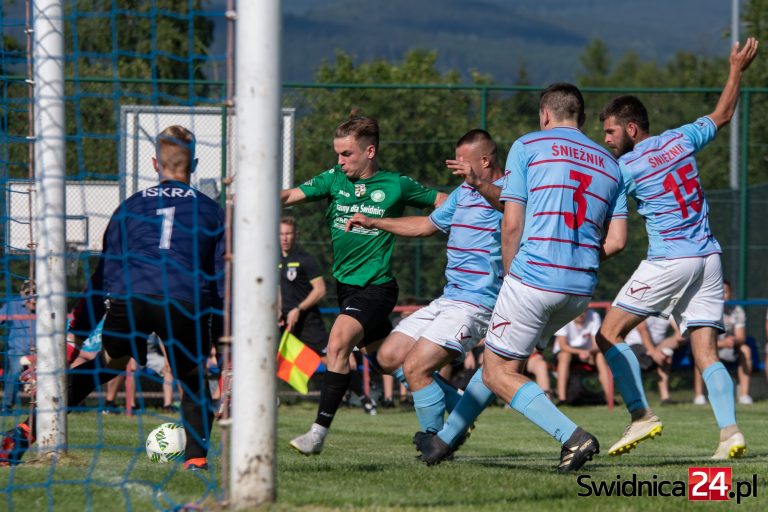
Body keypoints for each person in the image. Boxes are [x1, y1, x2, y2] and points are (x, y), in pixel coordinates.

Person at [418, 83, 628, 471]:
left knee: (499, 372)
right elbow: (617, 240)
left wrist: (514, 276)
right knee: (498, 362)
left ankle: (573, 438)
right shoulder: (611, 163)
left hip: (535, 277)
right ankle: (443, 442)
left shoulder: (529, 145)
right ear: (580, 117)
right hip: (580, 286)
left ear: (545, 115)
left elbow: (512, 224)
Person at [0, 125, 225, 471]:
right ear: (193, 164)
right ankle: (195, 459)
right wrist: (225, 340)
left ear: (154, 162)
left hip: (131, 299)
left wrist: (78, 331)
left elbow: (103, 275)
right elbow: (221, 279)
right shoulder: (212, 210)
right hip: (184, 301)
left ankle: (26, 431)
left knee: (108, 364)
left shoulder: (129, 206)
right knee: (193, 379)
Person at [595, 38, 758, 460]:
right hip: (708, 258)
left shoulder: (622, 169)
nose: (607, 139)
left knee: (609, 333)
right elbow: (723, 114)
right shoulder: (681, 138)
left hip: (671, 259)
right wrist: (736, 68)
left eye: (611, 131)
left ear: (631, 128)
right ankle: (730, 433)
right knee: (706, 352)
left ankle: (641, 415)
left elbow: (616, 240)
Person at [282, 116, 445, 455]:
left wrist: (488, 203)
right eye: (337, 154)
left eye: (346, 154)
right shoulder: (333, 179)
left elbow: (443, 201)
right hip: (347, 289)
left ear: (369, 151)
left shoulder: (396, 184)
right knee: (386, 362)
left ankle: (317, 434)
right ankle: (458, 404)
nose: (340, 161)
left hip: (377, 288)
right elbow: (289, 195)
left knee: (338, 343)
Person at [347, 129, 505, 438]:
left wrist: (478, 182)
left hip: (478, 302)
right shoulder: (463, 192)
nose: (460, 171)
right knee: (388, 356)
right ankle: (458, 407)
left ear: (484, 160)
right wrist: (374, 221)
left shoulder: (511, 188)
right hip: (449, 298)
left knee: (416, 368)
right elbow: (426, 225)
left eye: (464, 164)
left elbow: (511, 206)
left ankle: (435, 441)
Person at [278, 215, 377, 414]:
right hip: (283, 322)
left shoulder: (305, 260)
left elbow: (320, 290)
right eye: (281, 234)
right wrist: (279, 310)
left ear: (296, 235)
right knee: (265, 356)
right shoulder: (273, 259)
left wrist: (298, 309)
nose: (285, 238)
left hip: (307, 321)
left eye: (288, 233)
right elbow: (277, 288)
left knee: (338, 360)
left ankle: (364, 398)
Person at [693, 280, 753, 405]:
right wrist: (721, 344)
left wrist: (734, 341)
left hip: (730, 349)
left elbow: (741, 337)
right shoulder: (706, 311)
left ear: (730, 294)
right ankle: (699, 396)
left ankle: (744, 395)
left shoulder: (737, 311)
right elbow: (701, 339)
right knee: (700, 353)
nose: (722, 295)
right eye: (719, 292)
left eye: (725, 292)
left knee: (746, 350)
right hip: (710, 347)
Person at [553, 310, 612, 405]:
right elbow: (563, 346)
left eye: (584, 310)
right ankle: (562, 399)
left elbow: (596, 345)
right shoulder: (563, 316)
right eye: (579, 311)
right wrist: (581, 352)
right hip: (567, 352)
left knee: (600, 356)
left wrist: (588, 352)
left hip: (588, 353)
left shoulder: (594, 316)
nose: (581, 314)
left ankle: (609, 398)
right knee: (565, 356)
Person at [624, 316, 685, 404]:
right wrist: (653, 352)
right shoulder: (644, 305)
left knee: (667, 352)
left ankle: (665, 398)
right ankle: (636, 400)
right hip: (635, 346)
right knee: (665, 353)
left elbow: (681, 334)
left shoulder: (670, 309)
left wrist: (660, 350)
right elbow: (642, 329)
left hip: (659, 347)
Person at [0, 281, 36, 414]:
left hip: (41, 351)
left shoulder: (46, 306)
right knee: (15, 370)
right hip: (18, 350)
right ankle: (7, 406)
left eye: (35, 293)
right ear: (22, 293)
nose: (32, 297)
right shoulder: (12, 305)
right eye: (28, 293)